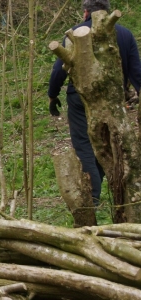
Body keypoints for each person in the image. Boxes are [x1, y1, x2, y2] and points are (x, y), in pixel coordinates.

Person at [48, 0, 141, 206]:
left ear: (85, 13)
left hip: (80, 98)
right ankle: (119, 194)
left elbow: (58, 69)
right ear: (106, 12)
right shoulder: (124, 34)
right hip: (113, 98)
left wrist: (53, 95)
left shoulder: (74, 33)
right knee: (108, 143)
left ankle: (93, 198)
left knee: (84, 145)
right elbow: (136, 71)